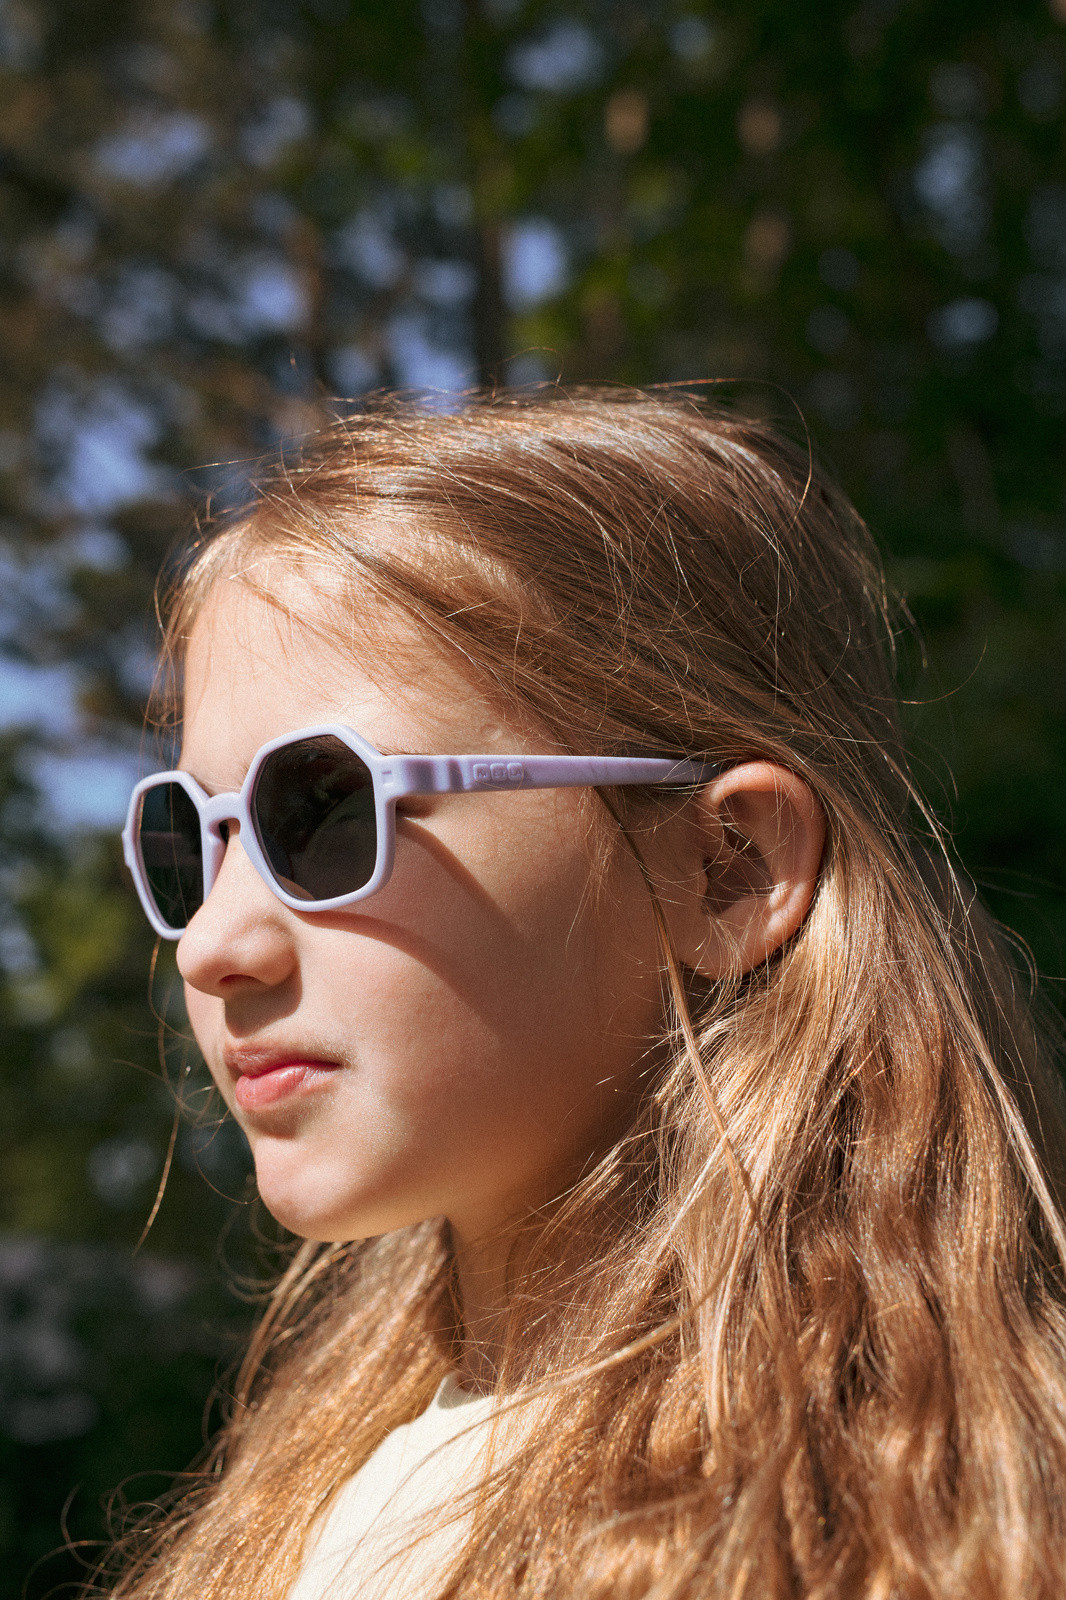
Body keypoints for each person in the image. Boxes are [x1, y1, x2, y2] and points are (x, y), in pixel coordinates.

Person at [102, 389, 1066, 1600]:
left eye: (326, 811)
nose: (212, 944)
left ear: (725, 868)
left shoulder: (921, 1534)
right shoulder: (314, 1491)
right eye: (192, 838)